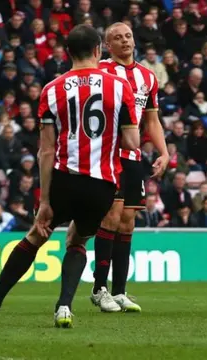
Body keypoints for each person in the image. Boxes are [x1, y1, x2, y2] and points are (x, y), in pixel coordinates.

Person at [0, 25, 140, 328]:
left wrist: (45, 201)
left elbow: (46, 151)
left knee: (37, 235)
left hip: (65, 178)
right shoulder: (121, 87)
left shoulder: (52, 89)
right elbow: (132, 144)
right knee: (76, 241)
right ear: (98, 51)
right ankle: (64, 307)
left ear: (67, 53)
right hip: (103, 185)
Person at [67, 22, 170, 313]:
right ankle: (100, 288)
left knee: (128, 221)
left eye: (128, 36)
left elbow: (151, 119)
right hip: (108, 154)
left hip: (134, 155)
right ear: (106, 46)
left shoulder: (147, 77)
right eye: (117, 38)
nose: (124, 41)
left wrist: (163, 151)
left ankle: (120, 291)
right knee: (110, 217)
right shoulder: (100, 72)